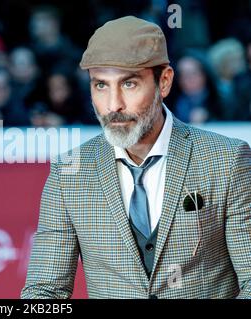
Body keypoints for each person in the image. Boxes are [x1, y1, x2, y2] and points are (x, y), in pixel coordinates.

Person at [21, 16, 251, 299]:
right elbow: (44, 291)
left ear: (164, 82)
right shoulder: (68, 172)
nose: (113, 104)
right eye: (100, 85)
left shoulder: (226, 159)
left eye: (129, 84)